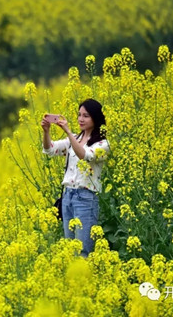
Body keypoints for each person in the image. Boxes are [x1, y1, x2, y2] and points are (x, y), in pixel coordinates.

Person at [41, 98, 110, 257]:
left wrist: (68, 132)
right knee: (70, 250)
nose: (80, 119)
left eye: (85, 115)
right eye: (79, 114)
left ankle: (85, 280)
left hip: (85, 199)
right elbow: (50, 150)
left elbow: (85, 155)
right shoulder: (75, 139)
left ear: (95, 118)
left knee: (83, 251)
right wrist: (46, 132)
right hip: (68, 196)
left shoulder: (103, 144)